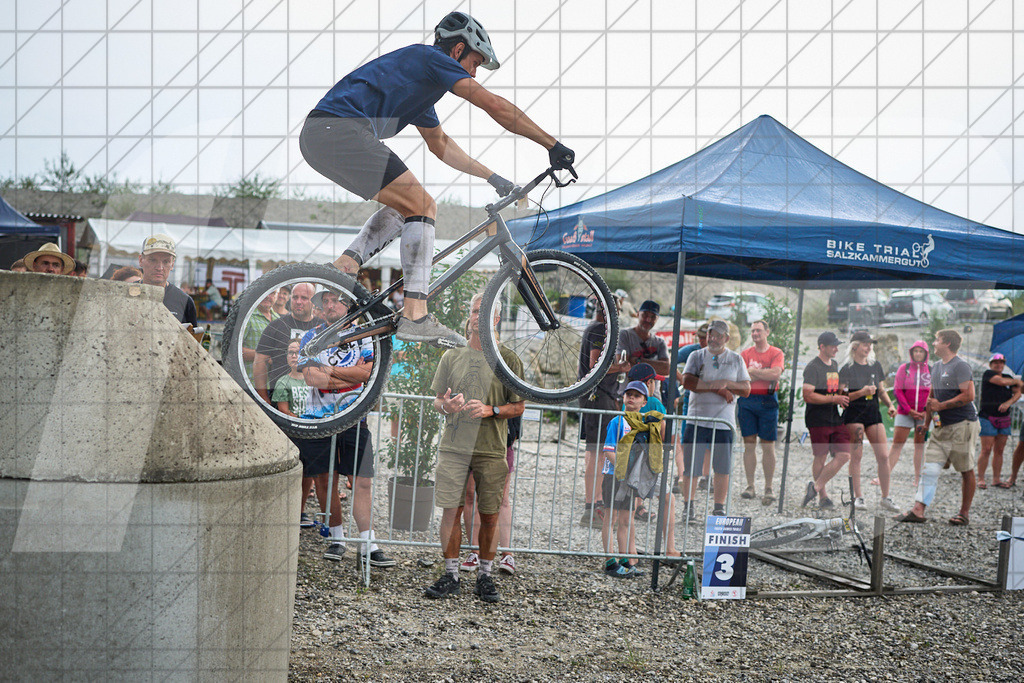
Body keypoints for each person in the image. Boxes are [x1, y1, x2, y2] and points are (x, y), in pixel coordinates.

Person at [300, 10, 575, 347]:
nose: (475, 72)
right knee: (424, 204)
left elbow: (441, 145)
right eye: (476, 62)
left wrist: (495, 178)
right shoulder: (431, 58)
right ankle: (415, 313)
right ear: (457, 50)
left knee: (407, 207)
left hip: (321, 135)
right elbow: (495, 106)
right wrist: (552, 144)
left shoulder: (421, 85)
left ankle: (346, 264)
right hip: (339, 128)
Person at [426, 293, 525, 603]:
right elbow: (437, 400)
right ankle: (451, 574)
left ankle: (485, 574)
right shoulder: (451, 357)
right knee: (450, 512)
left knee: (490, 514)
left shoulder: (508, 359)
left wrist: (490, 410)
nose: (475, 315)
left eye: (483, 311)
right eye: (473, 309)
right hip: (454, 447)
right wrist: (448, 406)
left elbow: (518, 406)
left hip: (492, 448)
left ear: (496, 319)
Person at [298, 289, 395, 568]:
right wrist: (347, 376)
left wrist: (328, 372)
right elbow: (312, 379)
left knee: (361, 480)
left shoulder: (364, 334)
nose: (330, 305)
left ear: (348, 305)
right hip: (320, 418)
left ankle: (368, 544)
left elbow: (366, 374)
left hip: (354, 417)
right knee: (326, 481)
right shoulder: (310, 337)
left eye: (336, 300)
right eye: (325, 301)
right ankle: (337, 539)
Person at [896, 329, 981, 526]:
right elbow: (931, 398)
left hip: (963, 424)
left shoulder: (961, 366)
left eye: (937, 340)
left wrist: (941, 407)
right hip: (940, 427)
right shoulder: (935, 368)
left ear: (947, 344)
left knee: (965, 469)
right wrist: (926, 424)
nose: (933, 343)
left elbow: (969, 396)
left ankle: (964, 513)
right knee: (930, 467)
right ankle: (918, 510)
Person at [680, 320, 751, 519]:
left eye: (719, 335)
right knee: (691, 466)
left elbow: (746, 390)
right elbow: (688, 381)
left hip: (723, 422)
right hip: (696, 419)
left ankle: (719, 507)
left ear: (727, 338)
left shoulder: (736, 359)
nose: (713, 338)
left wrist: (728, 383)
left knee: (722, 467)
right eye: (711, 334)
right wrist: (719, 389)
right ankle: (689, 506)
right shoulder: (696, 355)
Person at [577, 300, 627, 528]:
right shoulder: (598, 330)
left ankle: (594, 504)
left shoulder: (597, 329)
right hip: (597, 397)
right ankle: (592, 506)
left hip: (599, 396)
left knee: (594, 451)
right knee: (597, 452)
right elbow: (595, 363)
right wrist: (623, 368)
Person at [599, 381, 655, 578]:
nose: (631, 398)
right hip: (614, 477)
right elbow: (608, 451)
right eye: (628, 394)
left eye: (636, 395)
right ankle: (609, 561)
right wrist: (623, 471)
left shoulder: (644, 425)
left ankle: (624, 559)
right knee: (610, 518)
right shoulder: (617, 422)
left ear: (644, 401)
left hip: (631, 480)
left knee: (625, 519)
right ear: (623, 398)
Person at [839, 331, 899, 512]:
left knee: (883, 456)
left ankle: (886, 497)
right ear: (855, 346)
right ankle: (858, 497)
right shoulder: (846, 369)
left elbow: (881, 390)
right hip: (854, 414)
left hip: (873, 413)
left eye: (870, 344)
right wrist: (861, 392)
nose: (868, 347)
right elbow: (841, 397)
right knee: (856, 456)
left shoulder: (875, 365)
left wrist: (889, 405)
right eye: (865, 344)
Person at [626, 363, 679, 559]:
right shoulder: (655, 403)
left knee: (629, 507)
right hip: (650, 460)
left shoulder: (626, 401)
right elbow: (665, 430)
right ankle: (670, 547)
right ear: (649, 383)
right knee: (668, 500)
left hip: (630, 460)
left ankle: (630, 551)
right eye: (654, 382)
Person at [461, 413, 522, 577]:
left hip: (502, 438)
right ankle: (474, 551)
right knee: (470, 494)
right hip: (472, 438)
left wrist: (514, 431)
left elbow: (517, 404)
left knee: (502, 497)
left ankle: (507, 554)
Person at [801, 331, 852, 509]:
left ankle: (814, 487)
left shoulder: (835, 364)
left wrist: (842, 395)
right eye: (833, 346)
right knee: (820, 457)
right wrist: (833, 399)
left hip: (833, 416)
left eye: (837, 345)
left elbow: (834, 390)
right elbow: (807, 395)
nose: (836, 349)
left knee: (845, 454)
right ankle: (823, 497)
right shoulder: (812, 367)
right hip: (817, 418)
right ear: (822, 347)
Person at [738, 320, 784, 506]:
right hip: (747, 400)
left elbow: (775, 374)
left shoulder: (776, 352)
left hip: (768, 400)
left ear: (767, 331)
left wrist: (754, 372)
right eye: (753, 331)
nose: (755, 334)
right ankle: (750, 486)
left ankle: (769, 487)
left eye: (758, 330)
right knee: (749, 444)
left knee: (768, 445)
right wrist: (760, 373)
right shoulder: (745, 353)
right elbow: (742, 375)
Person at [252, 283, 322, 403]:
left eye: (304, 298)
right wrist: (263, 398)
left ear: (314, 301)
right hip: (280, 399)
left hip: (317, 401)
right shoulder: (275, 326)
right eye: (295, 297)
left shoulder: (322, 327)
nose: (298, 302)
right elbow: (259, 362)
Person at [886, 341, 931, 488]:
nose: (918, 354)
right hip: (905, 412)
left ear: (926, 353)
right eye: (915, 351)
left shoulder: (930, 370)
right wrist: (908, 410)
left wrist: (926, 411)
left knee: (919, 446)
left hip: (923, 415)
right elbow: (897, 390)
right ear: (911, 353)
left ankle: (918, 478)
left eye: (921, 351)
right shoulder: (903, 369)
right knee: (897, 445)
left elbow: (934, 392)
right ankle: (884, 476)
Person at [672, 323, 708, 494]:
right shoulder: (692, 351)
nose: (701, 341)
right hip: (690, 398)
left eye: (704, 338)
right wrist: (682, 379)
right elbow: (671, 359)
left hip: (710, 402)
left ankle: (706, 475)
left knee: (709, 439)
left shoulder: (720, 354)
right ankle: (684, 473)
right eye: (699, 337)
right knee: (687, 437)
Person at [976, 353, 1021, 489]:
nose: (998, 365)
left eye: (1001, 362)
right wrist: (1017, 381)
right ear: (991, 365)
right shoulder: (988, 374)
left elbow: (1018, 392)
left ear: (1004, 364)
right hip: (988, 416)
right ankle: (981, 478)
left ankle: (996, 479)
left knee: (1000, 450)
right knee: (986, 449)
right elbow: (1002, 382)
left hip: (1004, 418)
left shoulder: (1008, 378)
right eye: (996, 362)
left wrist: (1009, 402)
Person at [137, 234, 198, 326]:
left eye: (166, 261)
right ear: (141, 260)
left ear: (172, 264)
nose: (159, 267)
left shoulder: (184, 301)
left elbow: (192, 338)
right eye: (153, 260)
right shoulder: (124, 294)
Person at [619, 300, 671, 377]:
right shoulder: (625, 335)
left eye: (653, 317)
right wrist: (656, 366)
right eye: (645, 315)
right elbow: (623, 367)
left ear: (657, 319)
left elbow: (666, 369)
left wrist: (638, 360)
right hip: (629, 388)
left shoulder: (660, 342)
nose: (648, 320)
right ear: (637, 314)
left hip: (652, 389)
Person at [241, 290, 279, 380]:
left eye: (272, 293)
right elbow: (233, 350)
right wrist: (264, 356)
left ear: (277, 296)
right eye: (265, 291)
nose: (267, 296)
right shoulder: (247, 317)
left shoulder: (278, 319)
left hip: (272, 386)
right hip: (249, 384)